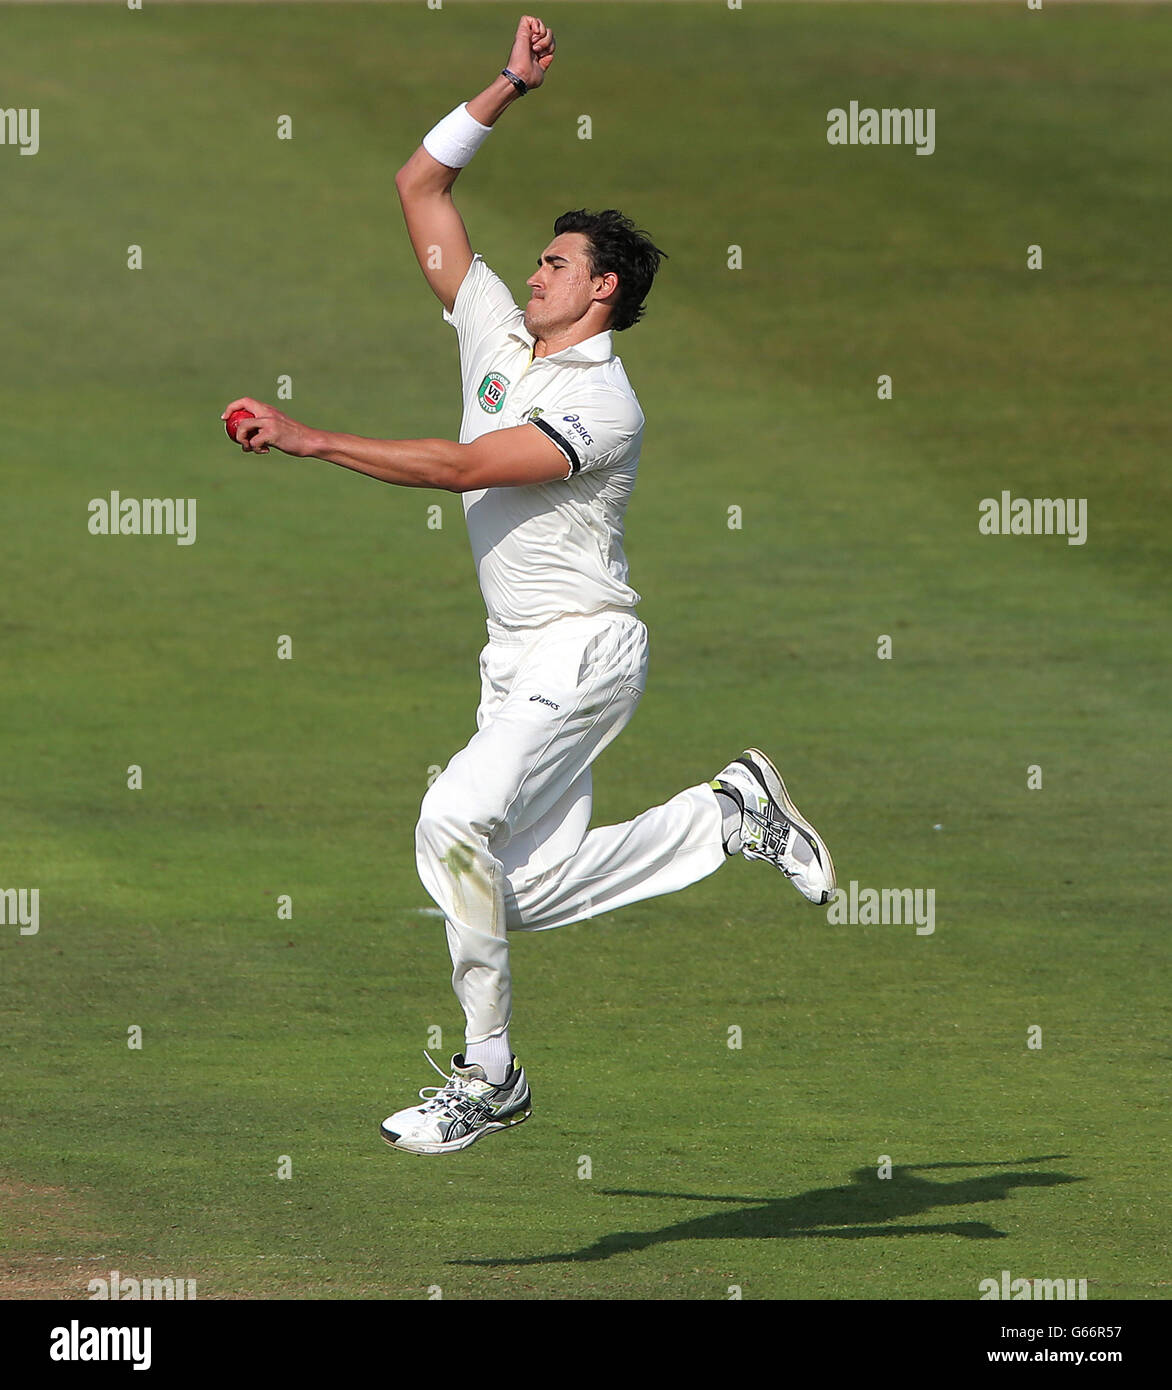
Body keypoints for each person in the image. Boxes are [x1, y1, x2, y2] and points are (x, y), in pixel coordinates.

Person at [221, 15, 835, 1157]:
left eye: (557, 261)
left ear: (599, 292)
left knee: (449, 817)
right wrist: (505, 86)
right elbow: (418, 186)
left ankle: (488, 1075)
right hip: (514, 659)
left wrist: (309, 441)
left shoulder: (603, 406)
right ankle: (719, 816)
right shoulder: (497, 333)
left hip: (582, 648)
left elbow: (461, 467)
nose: (535, 268)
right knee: (509, 891)